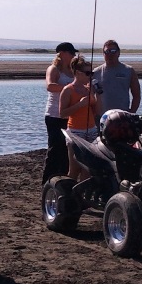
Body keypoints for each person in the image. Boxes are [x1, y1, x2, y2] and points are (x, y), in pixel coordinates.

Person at [60, 55, 102, 180]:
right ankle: (67, 195)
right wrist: (80, 104)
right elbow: (62, 113)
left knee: (88, 169)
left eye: (92, 73)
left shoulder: (89, 89)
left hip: (92, 130)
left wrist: (98, 95)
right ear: (78, 73)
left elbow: (98, 111)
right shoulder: (67, 90)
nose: (91, 76)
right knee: (74, 169)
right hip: (75, 132)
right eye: (88, 73)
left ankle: (82, 197)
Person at [42, 42, 77, 182]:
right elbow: (50, 86)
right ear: (62, 53)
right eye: (71, 53)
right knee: (55, 148)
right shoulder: (54, 69)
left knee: (67, 149)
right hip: (54, 115)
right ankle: (47, 181)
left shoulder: (72, 70)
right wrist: (70, 89)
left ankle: (63, 178)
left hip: (69, 114)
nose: (74, 56)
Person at [92, 39, 140, 114]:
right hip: (101, 118)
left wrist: (132, 113)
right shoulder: (95, 72)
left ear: (118, 53)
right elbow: (90, 97)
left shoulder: (128, 70)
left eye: (113, 51)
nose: (110, 54)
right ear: (103, 54)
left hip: (122, 118)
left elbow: (136, 96)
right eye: (107, 52)